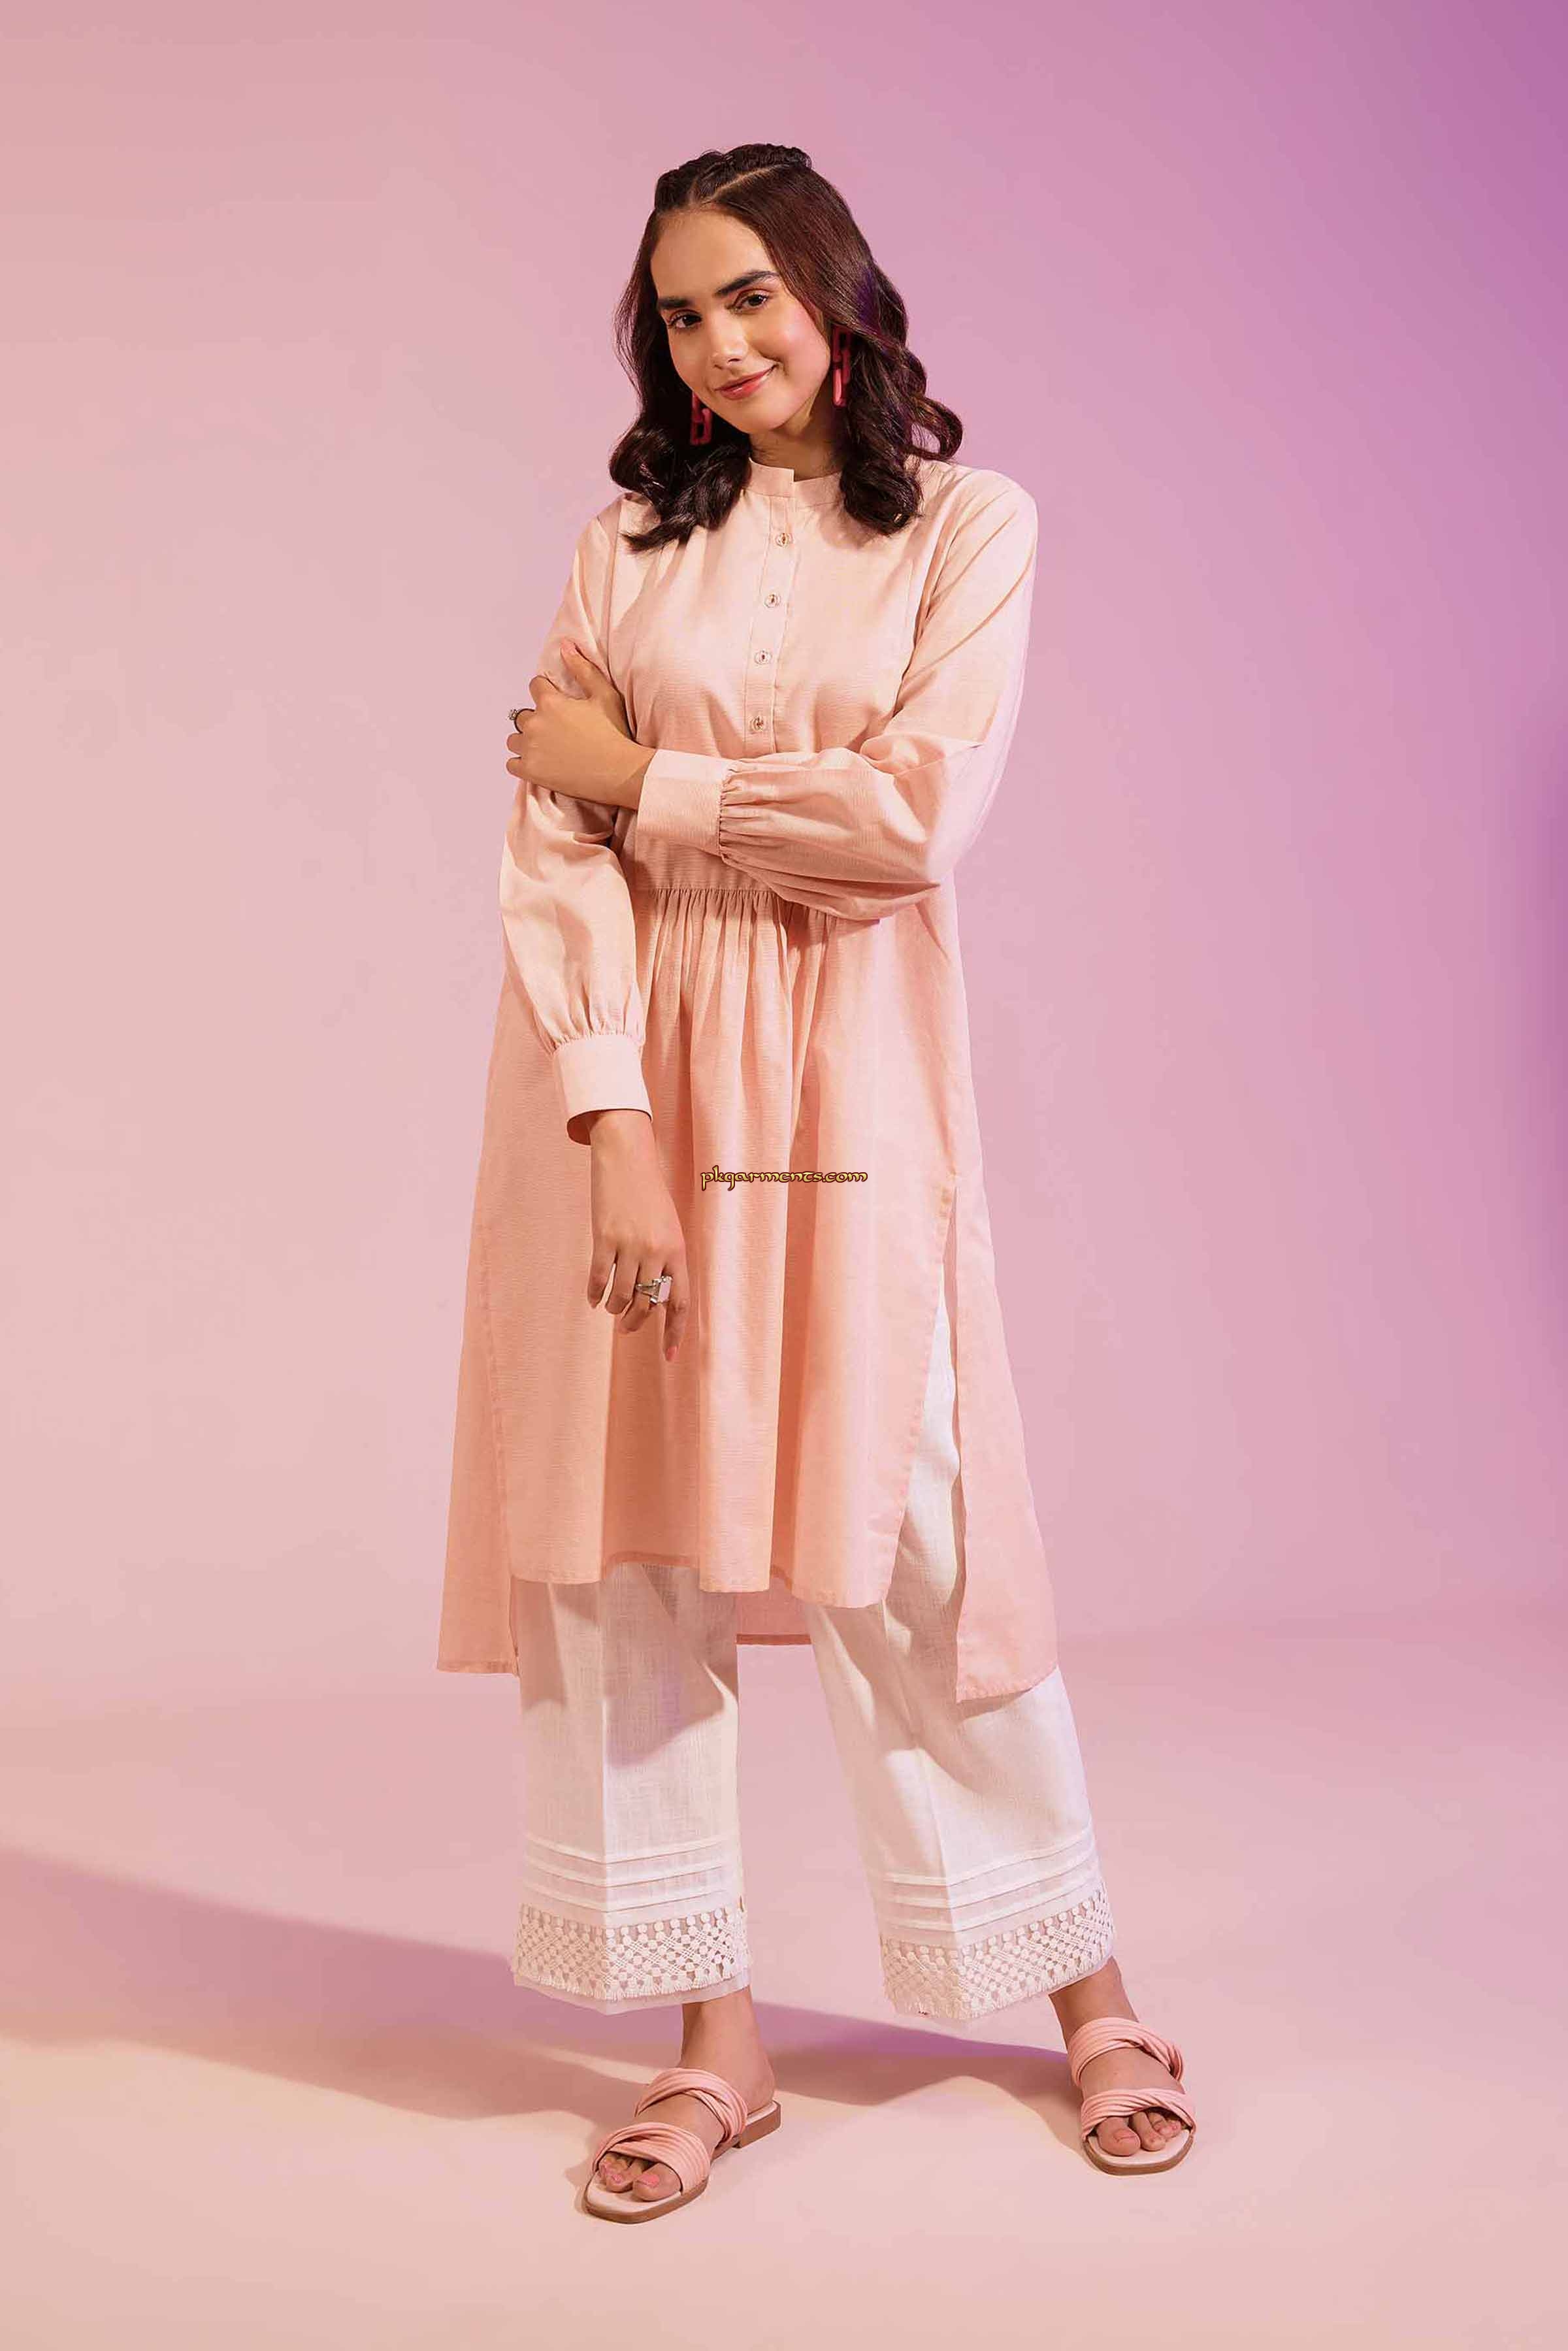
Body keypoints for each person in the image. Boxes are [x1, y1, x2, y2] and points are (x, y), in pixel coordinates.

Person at [437, 142, 1198, 2220]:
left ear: (834, 291)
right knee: (627, 1546)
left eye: (751, 295)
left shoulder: (966, 527)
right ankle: (714, 2044)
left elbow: (904, 826)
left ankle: (1087, 1987)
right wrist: (615, 1129)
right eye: (682, 314)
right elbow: (553, 857)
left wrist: (646, 777)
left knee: (909, 1512)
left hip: (844, 1065)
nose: (720, 344)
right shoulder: (624, 550)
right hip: (619, 1077)